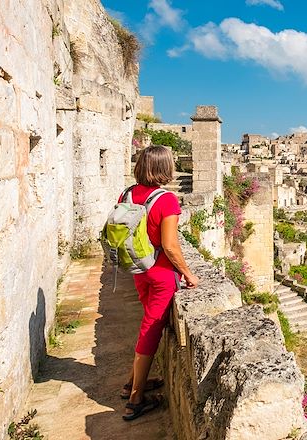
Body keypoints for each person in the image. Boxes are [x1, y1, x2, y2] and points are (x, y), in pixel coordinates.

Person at [119, 146, 199, 421]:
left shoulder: (127, 194)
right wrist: (188, 274)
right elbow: (170, 245)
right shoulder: (166, 200)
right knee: (151, 331)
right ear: (165, 168)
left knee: (147, 326)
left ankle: (132, 383)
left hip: (138, 269)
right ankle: (135, 399)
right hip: (161, 274)